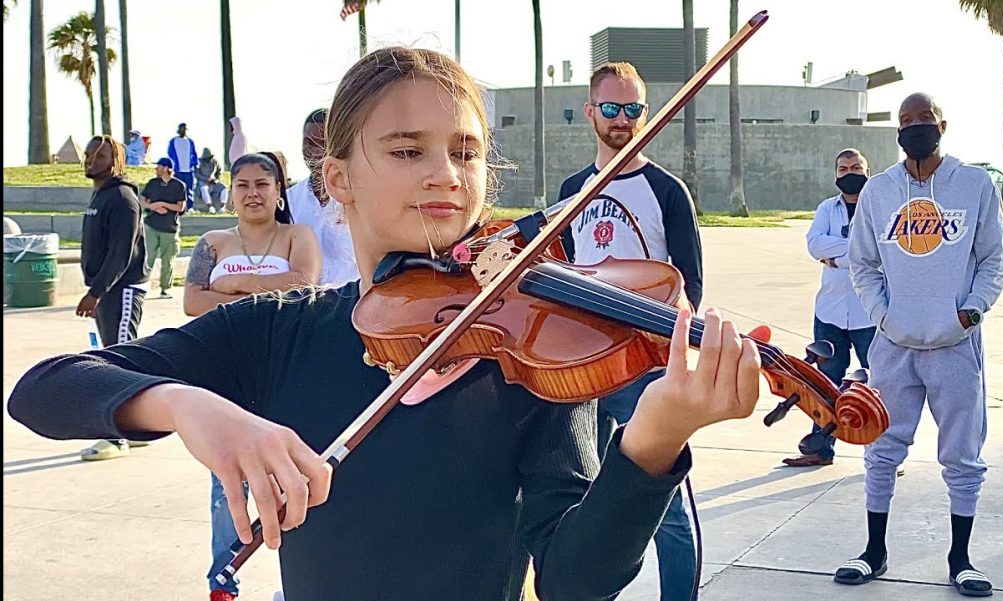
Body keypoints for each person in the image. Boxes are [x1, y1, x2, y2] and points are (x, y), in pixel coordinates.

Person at [8, 47, 761, 601]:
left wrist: (654, 441)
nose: (446, 173)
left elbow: (575, 578)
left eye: (465, 152)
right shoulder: (282, 331)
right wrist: (187, 403)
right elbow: (45, 388)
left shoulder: (533, 351)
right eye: (408, 150)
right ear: (337, 179)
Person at [838, 93, 1003, 597]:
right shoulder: (878, 191)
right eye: (905, 122)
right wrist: (882, 316)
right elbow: (862, 262)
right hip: (894, 345)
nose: (914, 129)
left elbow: (994, 258)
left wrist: (969, 312)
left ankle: (961, 559)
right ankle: (874, 551)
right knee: (881, 448)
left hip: (955, 345)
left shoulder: (974, 185)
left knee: (962, 454)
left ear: (942, 125)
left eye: (924, 120)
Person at [556, 61, 703, 601]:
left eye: (634, 109)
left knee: (666, 511)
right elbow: (561, 276)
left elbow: (691, 290)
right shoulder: (573, 189)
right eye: (612, 109)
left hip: (645, 370)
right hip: (578, 372)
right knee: (584, 500)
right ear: (591, 112)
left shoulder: (666, 191)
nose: (623, 120)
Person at [185, 152, 321, 601]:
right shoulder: (212, 243)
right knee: (226, 486)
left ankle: (298, 583)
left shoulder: (297, 235)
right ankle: (223, 580)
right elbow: (192, 302)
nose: (252, 193)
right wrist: (266, 288)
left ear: (279, 190)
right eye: (242, 184)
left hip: (286, 370)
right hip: (227, 376)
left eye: (262, 183)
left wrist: (233, 287)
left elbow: (305, 282)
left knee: (293, 479)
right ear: (231, 192)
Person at [782, 149, 877, 468]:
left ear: (867, 170)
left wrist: (836, 258)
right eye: (843, 168)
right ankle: (820, 449)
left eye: (855, 167)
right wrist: (857, 254)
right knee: (824, 383)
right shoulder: (827, 208)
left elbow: (881, 251)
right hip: (831, 312)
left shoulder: (879, 206)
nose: (849, 172)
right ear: (836, 174)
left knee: (877, 383)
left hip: (871, 312)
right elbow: (814, 245)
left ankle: (881, 454)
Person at [75, 135, 150, 461]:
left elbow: (121, 253)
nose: (92, 160)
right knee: (116, 357)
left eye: (101, 155)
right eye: (90, 154)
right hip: (109, 291)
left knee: (118, 359)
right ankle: (133, 430)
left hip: (122, 289)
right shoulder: (100, 197)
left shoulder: (121, 198)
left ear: (116, 161)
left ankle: (116, 435)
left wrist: (97, 292)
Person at [288, 108, 361, 287]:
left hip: (353, 303)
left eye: (323, 143)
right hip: (303, 305)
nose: (316, 152)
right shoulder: (288, 200)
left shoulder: (361, 196)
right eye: (309, 143)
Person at [140, 157, 187, 299]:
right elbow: (142, 200)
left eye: (159, 166)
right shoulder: (152, 184)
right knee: (147, 257)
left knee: (168, 260)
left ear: (166, 168)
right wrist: (152, 206)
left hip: (169, 228)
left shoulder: (179, 185)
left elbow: (181, 206)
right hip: (151, 225)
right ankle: (142, 286)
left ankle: (165, 288)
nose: (156, 169)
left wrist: (163, 204)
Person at [167, 123, 199, 212]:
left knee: (189, 189)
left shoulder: (190, 141)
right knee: (177, 189)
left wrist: (195, 164)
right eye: (182, 129)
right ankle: (177, 207)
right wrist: (173, 166)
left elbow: (194, 154)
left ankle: (190, 207)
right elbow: (170, 154)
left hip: (188, 171)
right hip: (177, 171)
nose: (184, 131)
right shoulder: (173, 141)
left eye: (185, 129)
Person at [195, 147, 228, 214]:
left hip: (213, 182)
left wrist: (216, 179)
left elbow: (219, 172)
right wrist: (205, 179)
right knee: (203, 188)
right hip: (203, 182)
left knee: (224, 188)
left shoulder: (215, 162)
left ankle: (222, 207)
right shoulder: (199, 162)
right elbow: (196, 174)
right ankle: (210, 207)